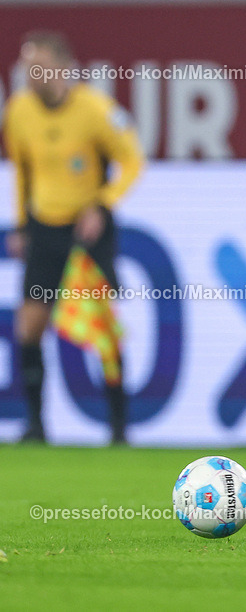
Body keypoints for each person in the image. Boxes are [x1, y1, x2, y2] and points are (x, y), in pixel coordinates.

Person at [3, 31, 144, 444]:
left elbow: (133, 160)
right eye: (28, 68)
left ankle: (119, 429)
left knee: (102, 329)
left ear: (64, 69)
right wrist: (21, 223)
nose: (33, 76)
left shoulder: (96, 111)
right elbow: (22, 170)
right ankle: (35, 425)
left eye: (40, 68)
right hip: (44, 227)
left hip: (87, 230)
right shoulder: (18, 111)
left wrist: (102, 204)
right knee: (28, 327)